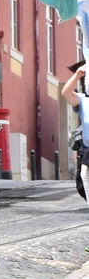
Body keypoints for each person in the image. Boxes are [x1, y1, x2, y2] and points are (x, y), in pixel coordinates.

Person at [60, 61, 89, 200]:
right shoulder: (84, 100)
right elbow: (66, 93)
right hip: (88, 149)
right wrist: (77, 75)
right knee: (84, 179)